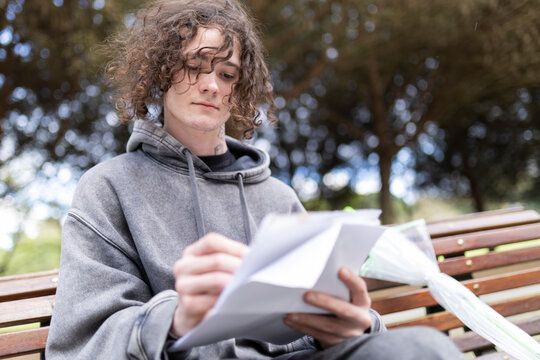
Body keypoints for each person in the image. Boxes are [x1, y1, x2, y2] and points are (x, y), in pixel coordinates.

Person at [46, 0, 462, 359]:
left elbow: (329, 307)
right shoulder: (109, 189)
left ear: (239, 90)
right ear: (159, 74)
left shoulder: (278, 197)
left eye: (227, 74)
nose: (211, 85)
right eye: (194, 66)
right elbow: (80, 344)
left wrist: (357, 324)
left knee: (424, 349)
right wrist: (173, 319)